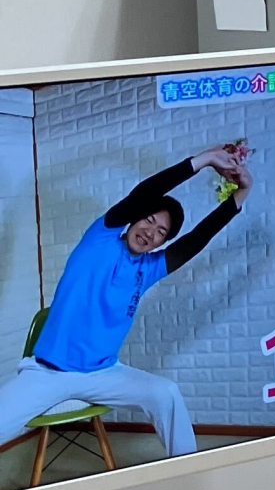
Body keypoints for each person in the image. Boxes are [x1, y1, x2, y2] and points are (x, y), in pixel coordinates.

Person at [0, 142, 253, 466]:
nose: (150, 232)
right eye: (147, 219)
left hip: (103, 373)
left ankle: (188, 471)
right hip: (49, 373)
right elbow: (144, 193)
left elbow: (196, 240)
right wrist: (204, 160)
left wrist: (241, 194)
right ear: (134, 218)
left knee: (165, 393)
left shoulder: (148, 269)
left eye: (161, 232)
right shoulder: (101, 238)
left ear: (163, 242)